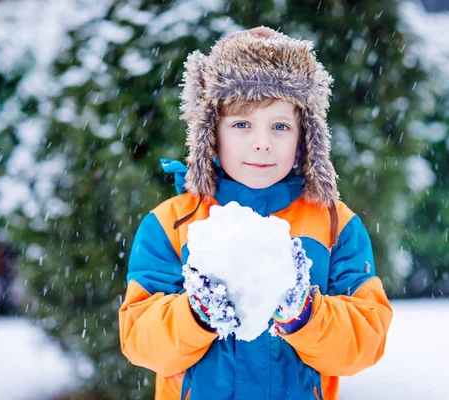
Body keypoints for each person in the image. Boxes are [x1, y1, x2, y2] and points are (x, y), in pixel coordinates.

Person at [119, 26, 393, 400]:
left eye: (280, 126)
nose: (261, 143)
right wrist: (195, 314)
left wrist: (307, 316)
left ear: (306, 136)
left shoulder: (336, 225)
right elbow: (140, 340)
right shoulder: (171, 224)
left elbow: (365, 343)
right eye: (242, 124)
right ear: (211, 132)